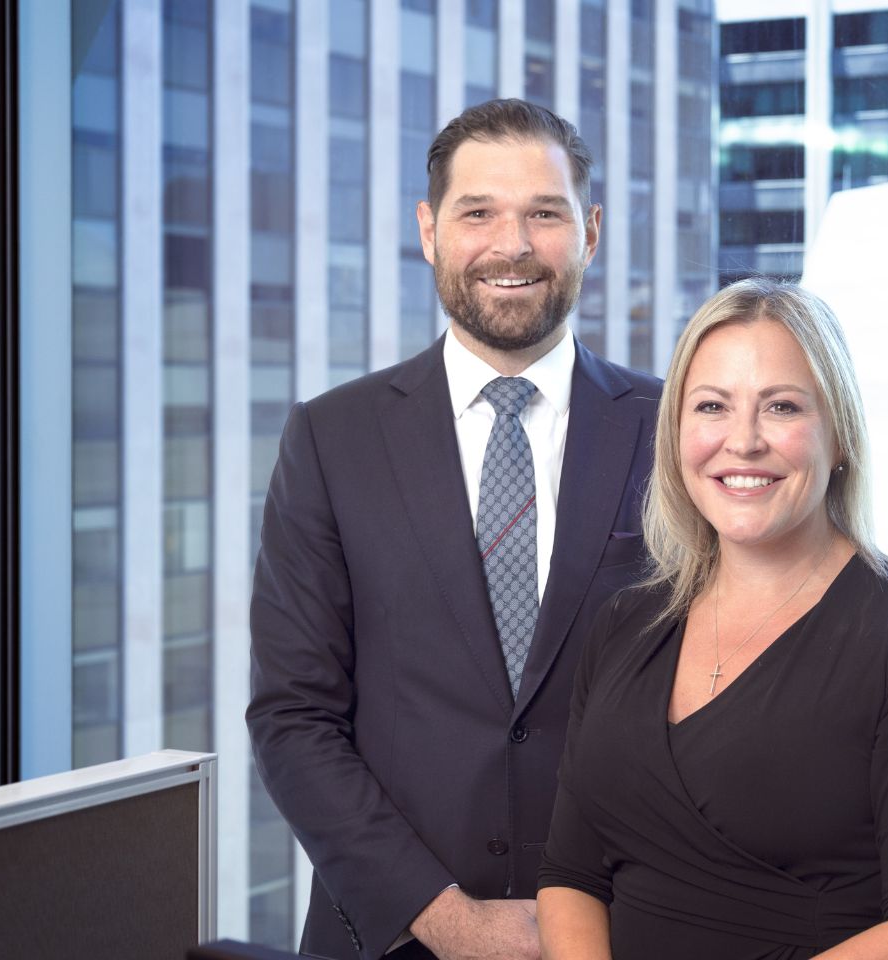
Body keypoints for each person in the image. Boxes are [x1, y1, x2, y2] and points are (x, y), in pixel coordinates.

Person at [248, 99, 661, 960]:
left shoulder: (674, 430)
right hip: (393, 936)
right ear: (429, 231)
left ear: (589, 232)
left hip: (629, 931)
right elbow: (293, 717)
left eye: (544, 214)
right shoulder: (332, 438)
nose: (512, 246)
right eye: (478, 213)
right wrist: (449, 922)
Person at [537, 279, 888, 960]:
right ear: (677, 434)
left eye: (781, 407)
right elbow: (571, 875)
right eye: (712, 406)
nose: (743, 442)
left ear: (840, 436)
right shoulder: (625, 623)